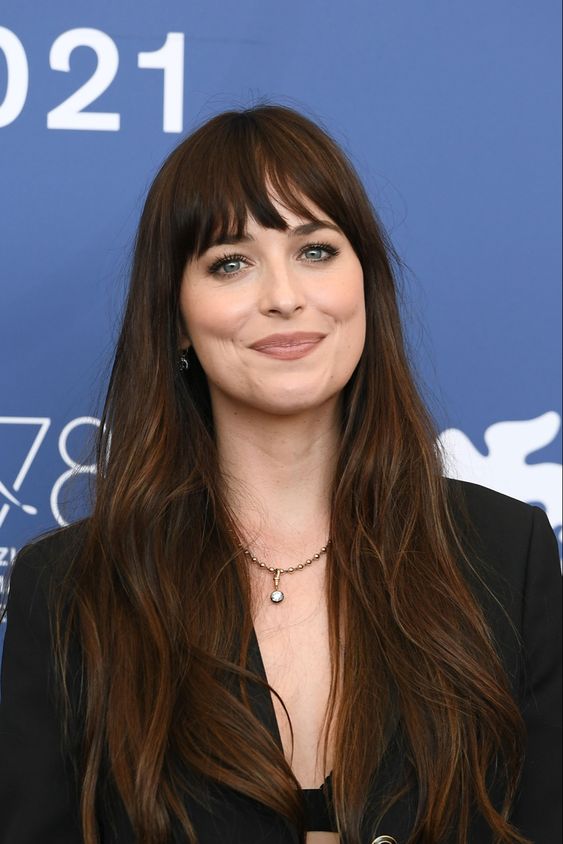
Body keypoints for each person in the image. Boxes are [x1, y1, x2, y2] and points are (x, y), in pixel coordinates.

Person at [0, 104, 560, 844]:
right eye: (230, 262)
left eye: (316, 250)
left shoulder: (506, 554)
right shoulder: (70, 590)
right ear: (175, 319)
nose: (284, 296)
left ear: (366, 285)